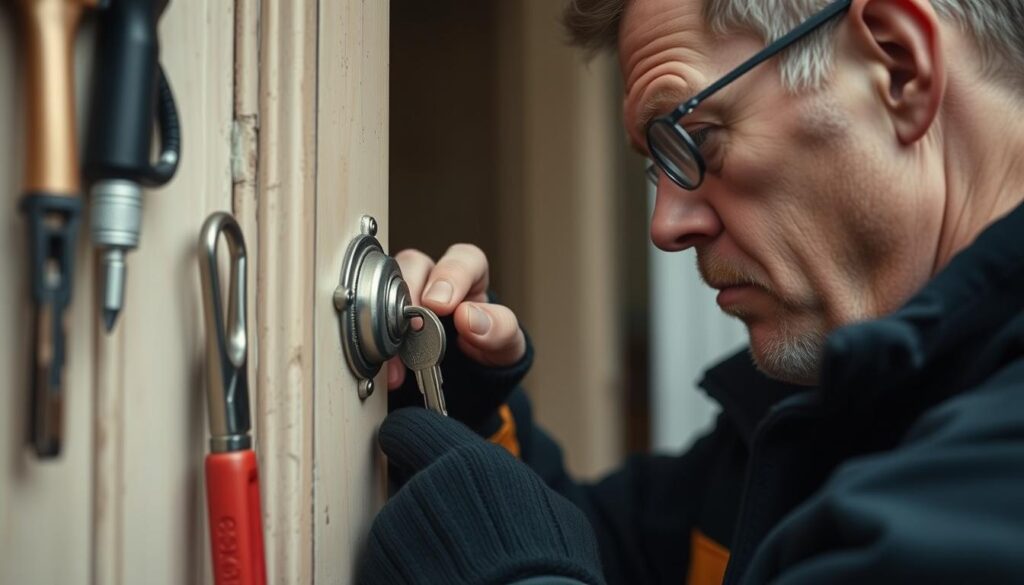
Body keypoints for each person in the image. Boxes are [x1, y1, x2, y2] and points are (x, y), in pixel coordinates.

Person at [358, 0, 1024, 583]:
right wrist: (465, 403)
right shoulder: (798, 421)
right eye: (658, 166)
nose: (665, 226)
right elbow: (592, 551)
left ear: (899, 65)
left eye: (695, 140)